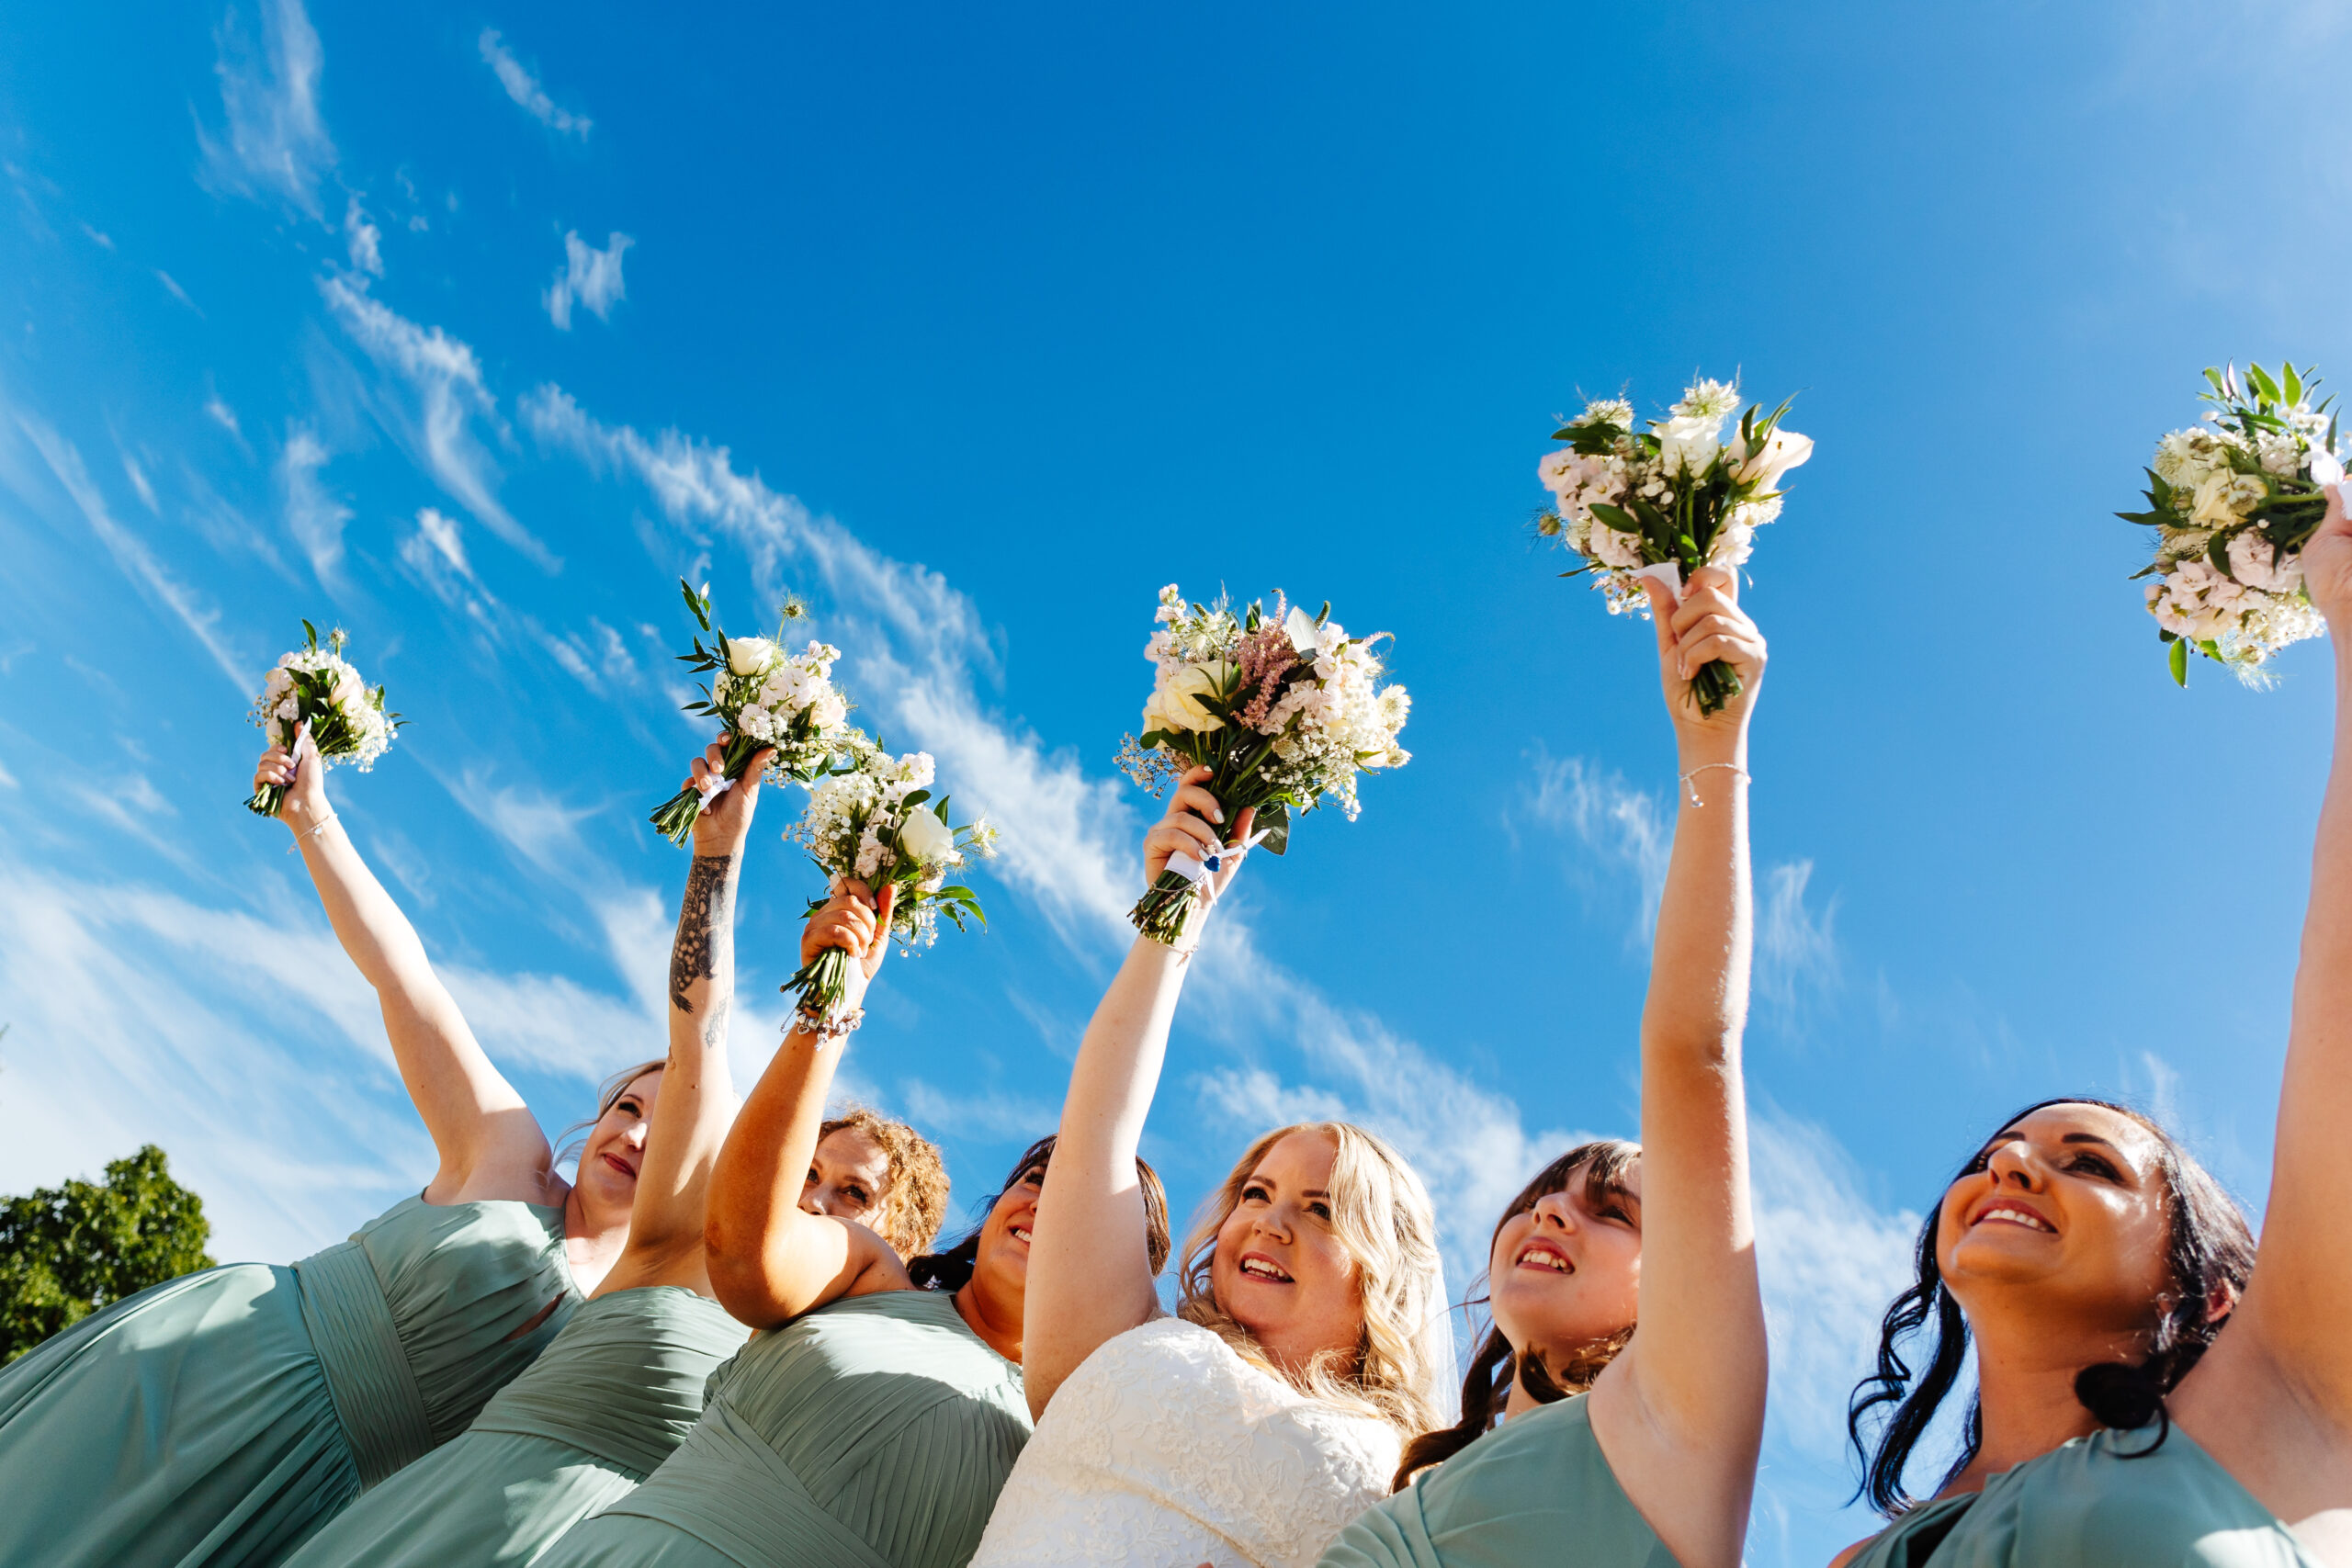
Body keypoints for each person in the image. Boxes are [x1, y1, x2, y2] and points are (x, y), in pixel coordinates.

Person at [0, 720, 678, 1565]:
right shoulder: (510, 1158)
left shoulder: (626, 1328)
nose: (633, 1133)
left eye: (667, 1126)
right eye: (626, 1105)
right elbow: (406, 977)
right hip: (221, 1356)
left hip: (329, 1500)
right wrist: (313, 819)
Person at [1830, 496, 2352, 1567]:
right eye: (1993, 1155)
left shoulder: (2270, 1396)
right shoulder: (1857, 1560)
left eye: (2088, 1162)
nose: (2010, 1162)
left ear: (2201, 1290)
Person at [277, 736, 901, 1568]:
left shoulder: (840, 1391)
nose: (812, 1199)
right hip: (445, 1513)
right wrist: (718, 859)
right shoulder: (686, 1241)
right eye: (802, 1168)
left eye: (854, 1197)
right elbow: (699, 1037)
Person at [1317, 567, 1770, 1568]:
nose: (1550, 1214)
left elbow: (1691, 1047)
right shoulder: (1430, 1466)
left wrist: (1713, 750)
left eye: (1614, 1212)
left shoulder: (1671, 1420)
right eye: (1541, 1196)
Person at [535, 877, 1172, 1568]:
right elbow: (744, 1251)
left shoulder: (1076, 1439)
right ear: (994, 1211)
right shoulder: (868, 1273)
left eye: (1090, 1215)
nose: (1048, 1210)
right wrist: (827, 1006)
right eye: (1037, 1181)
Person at [967, 784, 1453, 1568]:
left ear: (1383, 1271)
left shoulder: (1418, 1468)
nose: (1269, 1221)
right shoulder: (1123, 1333)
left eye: (1322, 1210)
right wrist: (1174, 917)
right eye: (1255, 1193)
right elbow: (1102, 1121)